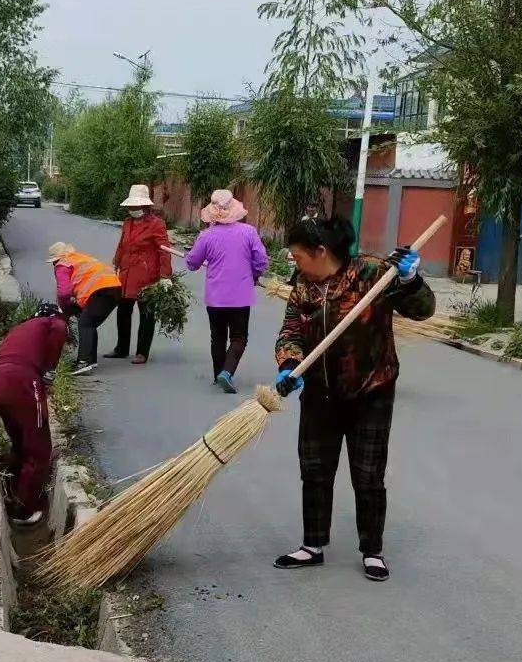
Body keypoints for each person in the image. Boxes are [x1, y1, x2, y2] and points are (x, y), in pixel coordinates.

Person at [273, 214, 436, 582]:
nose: (295, 263)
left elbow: (423, 311)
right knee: (314, 470)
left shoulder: (373, 273)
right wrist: (289, 364)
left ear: (320, 250)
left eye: (298, 256)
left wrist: (410, 280)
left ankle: (372, 550)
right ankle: (312, 546)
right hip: (320, 392)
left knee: (368, 475)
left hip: (371, 391)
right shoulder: (302, 284)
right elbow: (291, 330)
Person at [0, 302, 70, 526]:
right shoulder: (52, 322)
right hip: (22, 381)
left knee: (20, 441)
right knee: (39, 450)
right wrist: (49, 373)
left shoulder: (21, 328)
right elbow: (61, 329)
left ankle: (13, 489)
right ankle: (23, 510)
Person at [183, 189, 268, 392]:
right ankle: (226, 373)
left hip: (215, 297)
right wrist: (254, 274)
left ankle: (217, 375)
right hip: (240, 296)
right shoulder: (248, 232)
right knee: (239, 337)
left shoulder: (206, 235)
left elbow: (192, 263)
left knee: (218, 337)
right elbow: (261, 260)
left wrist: (195, 256)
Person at [109, 183, 172, 364]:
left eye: (135, 206)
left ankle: (142, 352)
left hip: (146, 276)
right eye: (130, 206)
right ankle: (121, 348)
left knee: (146, 314)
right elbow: (122, 244)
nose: (132, 209)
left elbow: (164, 250)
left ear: (144, 205)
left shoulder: (156, 224)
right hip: (127, 274)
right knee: (123, 311)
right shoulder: (128, 223)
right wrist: (117, 261)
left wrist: (165, 276)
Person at [48, 242, 122, 376]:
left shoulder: (62, 265)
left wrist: (65, 311)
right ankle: (91, 359)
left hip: (100, 291)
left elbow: (64, 293)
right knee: (89, 322)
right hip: (115, 287)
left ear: (56, 259)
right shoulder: (79, 257)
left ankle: (83, 362)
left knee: (85, 323)